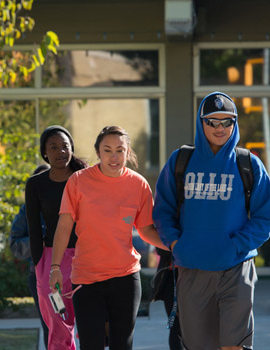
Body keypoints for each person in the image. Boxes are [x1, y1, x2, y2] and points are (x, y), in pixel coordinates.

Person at [152, 91, 270, 350]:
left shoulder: (248, 164)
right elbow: (163, 211)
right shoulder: (180, 161)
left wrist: (236, 246)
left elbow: (264, 218)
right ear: (201, 123)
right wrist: (177, 244)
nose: (220, 128)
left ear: (235, 123)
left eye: (227, 121)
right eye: (212, 122)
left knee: (235, 345)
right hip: (193, 270)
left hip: (236, 268)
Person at [48, 126, 169, 350]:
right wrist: (55, 266)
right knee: (91, 345)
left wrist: (178, 247)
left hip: (125, 278)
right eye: (107, 150)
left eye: (119, 150)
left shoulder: (139, 184)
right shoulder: (78, 181)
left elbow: (146, 230)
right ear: (98, 152)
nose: (114, 157)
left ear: (128, 152)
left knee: (122, 345)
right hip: (86, 279)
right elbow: (64, 227)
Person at [25, 125, 88, 350]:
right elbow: (32, 228)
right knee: (58, 320)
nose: (60, 151)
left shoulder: (85, 178)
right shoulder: (35, 184)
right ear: (45, 152)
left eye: (65, 146)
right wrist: (40, 266)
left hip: (86, 257)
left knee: (90, 324)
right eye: (54, 147)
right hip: (53, 262)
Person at [9, 163, 51, 348]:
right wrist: (37, 243)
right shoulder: (27, 211)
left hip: (72, 275)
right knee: (50, 326)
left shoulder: (69, 204)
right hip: (39, 277)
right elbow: (14, 245)